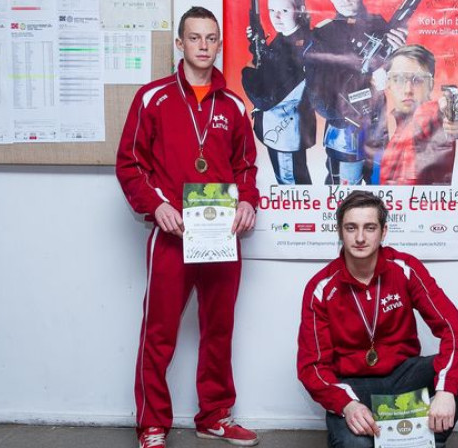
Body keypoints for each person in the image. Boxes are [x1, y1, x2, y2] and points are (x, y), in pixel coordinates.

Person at [116, 7, 260, 448]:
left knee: (219, 327)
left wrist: (249, 204)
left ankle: (214, 415)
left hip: (220, 237)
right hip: (172, 236)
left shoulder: (234, 104)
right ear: (179, 44)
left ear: (219, 45)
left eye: (211, 39)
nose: (203, 46)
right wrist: (155, 206)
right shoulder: (153, 98)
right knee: (159, 331)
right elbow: (129, 165)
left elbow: (246, 167)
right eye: (194, 38)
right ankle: (152, 424)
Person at [297, 190, 458, 448]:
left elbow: (453, 328)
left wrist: (446, 389)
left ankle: (426, 441)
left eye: (369, 227)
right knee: (355, 445)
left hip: (404, 378)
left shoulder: (405, 269)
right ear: (339, 231)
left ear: (383, 232)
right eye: (351, 228)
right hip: (354, 389)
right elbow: (311, 366)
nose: (360, 237)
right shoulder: (321, 287)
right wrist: (346, 404)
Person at [303, 0, 407, 185]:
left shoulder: (379, 24)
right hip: (344, 130)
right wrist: (349, 112)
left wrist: (398, 53)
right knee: (344, 196)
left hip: (376, 127)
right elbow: (317, 93)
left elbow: (397, 76)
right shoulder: (323, 32)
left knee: (380, 190)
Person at [242, 0, 316, 184]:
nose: (276, 17)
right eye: (272, 10)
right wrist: (257, 44)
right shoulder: (287, 37)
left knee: (290, 189)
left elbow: (265, 98)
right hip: (282, 128)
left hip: (285, 132)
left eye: (283, 10)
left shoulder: (300, 45)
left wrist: (247, 72)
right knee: (296, 183)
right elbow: (273, 66)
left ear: (299, 10)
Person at [378, 44, 458, 185]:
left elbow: (432, 114)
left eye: (418, 80)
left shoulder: (430, 118)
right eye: (399, 79)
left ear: (431, 85)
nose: (408, 89)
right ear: (388, 84)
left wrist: (449, 110)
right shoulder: (396, 125)